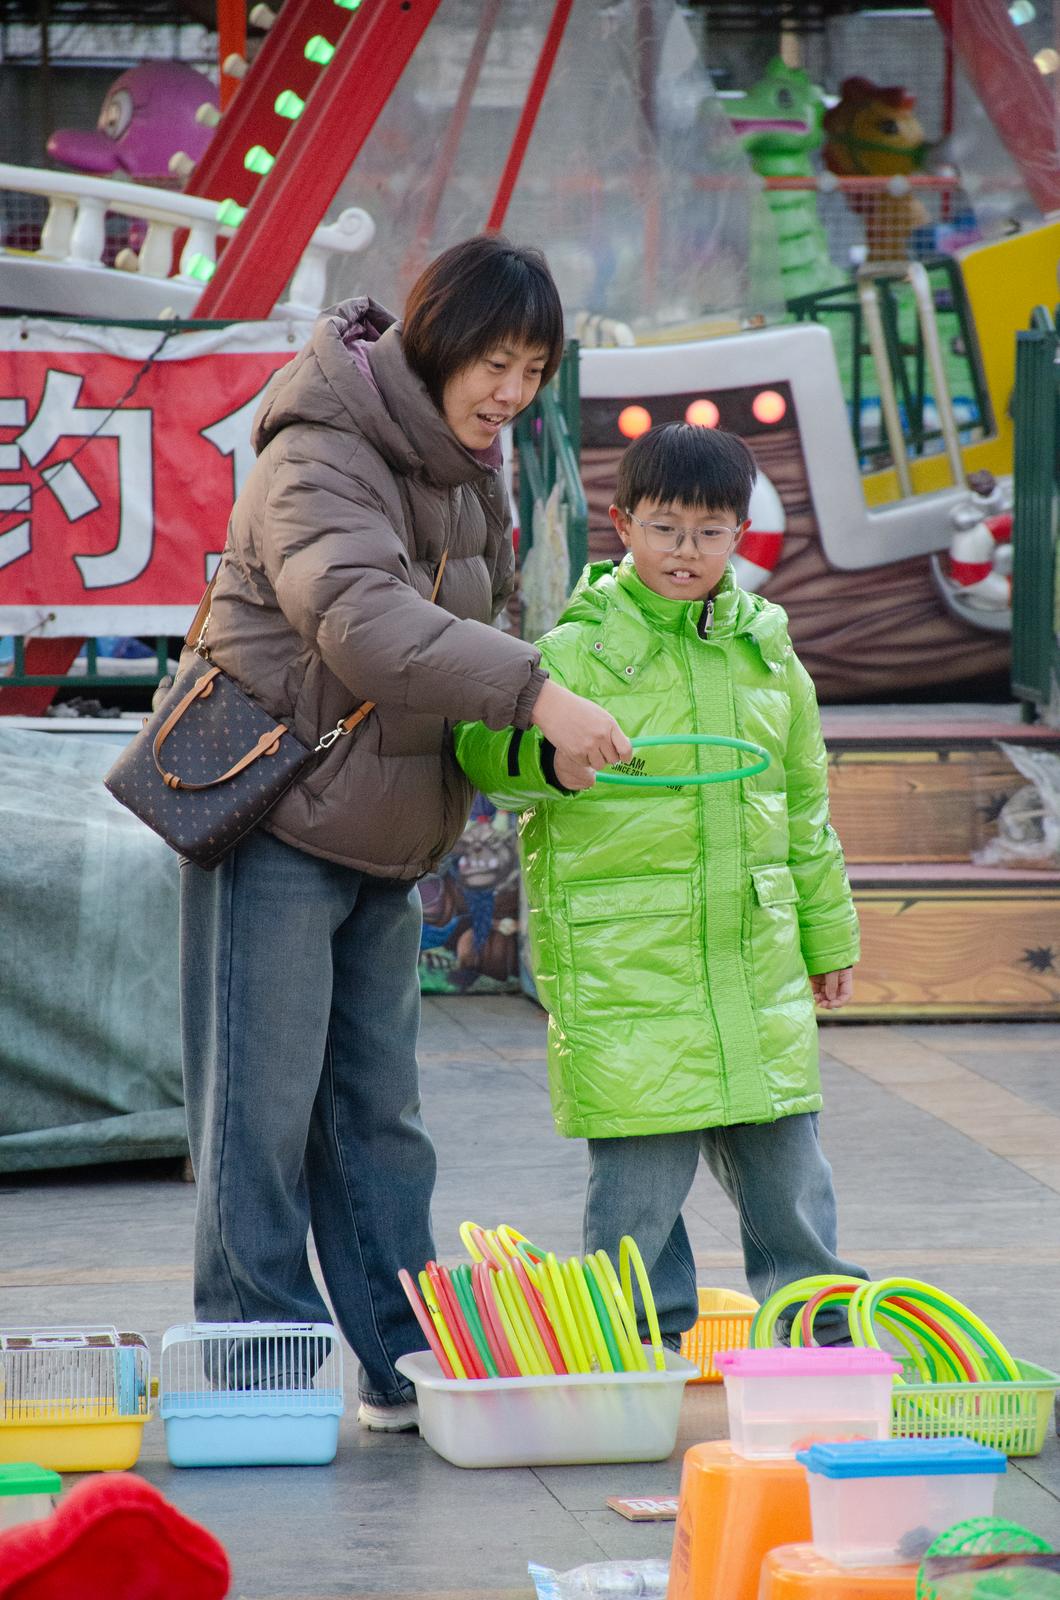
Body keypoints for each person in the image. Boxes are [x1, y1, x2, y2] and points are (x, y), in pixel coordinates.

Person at [178, 236, 632, 1430]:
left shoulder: (466, 466)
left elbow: (459, 660)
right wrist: (536, 692)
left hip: (383, 834)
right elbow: (363, 621)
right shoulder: (319, 445)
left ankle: (403, 1365)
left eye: (534, 370)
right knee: (258, 1118)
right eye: (496, 362)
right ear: (437, 343)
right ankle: (259, 1384)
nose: (513, 392)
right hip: (273, 817)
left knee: (379, 1119)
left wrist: (539, 749)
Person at [455, 422, 865, 1347]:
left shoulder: (768, 655)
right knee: (637, 1189)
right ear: (623, 525)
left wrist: (827, 935)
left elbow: (805, 810)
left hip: (752, 961)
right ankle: (634, 1343)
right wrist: (550, 760)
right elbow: (483, 754)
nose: (688, 551)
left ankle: (821, 1335)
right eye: (667, 528)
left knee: (789, 1171)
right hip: (628, 966)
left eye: (711, 532)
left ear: (740, 535)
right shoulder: (574, 654)